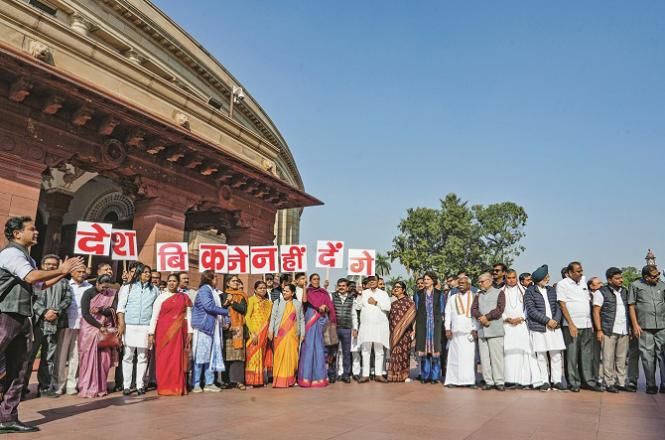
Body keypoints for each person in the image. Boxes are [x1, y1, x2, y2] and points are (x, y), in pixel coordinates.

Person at [0, 217, 84, 433]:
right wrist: (62, 269)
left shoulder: (27, 258)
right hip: (5, 315)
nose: (36, 232)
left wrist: (64, 271)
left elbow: (40, 283)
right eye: (31, 229)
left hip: (21, 318)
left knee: (18, 369)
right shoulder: (11, 254)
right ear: (17, 233)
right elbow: (30, 278)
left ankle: (7, 418)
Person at [23, 255, 72, 398]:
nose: (51, 267)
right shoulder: (35, 280)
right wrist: (44, 312)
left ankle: (44, 387)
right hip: (37, 324)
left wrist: (56, 311)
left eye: (54, 265)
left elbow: (68, 298)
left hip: (54, 324)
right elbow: (31, 298)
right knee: (29, 357)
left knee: (48, 358)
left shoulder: (63, 282)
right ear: (42, 265)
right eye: (48, 264)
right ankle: (22, 388)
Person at [117, 263, 159, 395]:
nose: (148, 274)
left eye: (149, 272)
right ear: (139, 273)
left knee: (142, 356)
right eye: (145, 272)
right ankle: (126, 385)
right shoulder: (128, 288)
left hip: (145, 327)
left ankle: (140, 384)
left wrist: (152, 330)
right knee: (128, 355)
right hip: (129, 325)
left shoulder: (155, 290)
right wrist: (121, 324)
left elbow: (156, 311)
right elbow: (120, 308)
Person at [557, 262, 599, 392]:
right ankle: (573, 383)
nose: (581, 273)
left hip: (586, 325)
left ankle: (588, 381)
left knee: (587, 355)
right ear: (569, 273)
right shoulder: (562, 284)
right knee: (571, 355)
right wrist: (570, 324)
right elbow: (562, 305)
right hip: (572, 325)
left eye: (581, 271)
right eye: (578, 271)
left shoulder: (584, 282)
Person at [149, 273, 193, 396]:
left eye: (174, 281)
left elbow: (189, 315)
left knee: (176, 360)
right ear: (167, 282)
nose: (172, 283)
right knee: (163, 359)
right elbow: (154, 317)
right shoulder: (161, 297)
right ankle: (164, 387)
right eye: (170, 281)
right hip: (163, 333)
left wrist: (190, 331)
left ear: (178, 283)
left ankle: (176, 387)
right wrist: (151, 333)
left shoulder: (184, 297)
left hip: (178, 333)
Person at [524, 265, 566, 391]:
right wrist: (547, 321)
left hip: (554, 327)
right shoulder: (530, 291)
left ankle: (557, 381)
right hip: (539, 327)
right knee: (541, 355)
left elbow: (558, 307)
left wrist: (555, 321)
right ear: (540, 278)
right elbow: (531, 310)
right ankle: (544, 381)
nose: (548, 278)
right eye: (546, 276)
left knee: (556, 354)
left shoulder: (551, 290)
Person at [77, 275, 118, 398]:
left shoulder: (111, 294)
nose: (104, 290)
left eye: (106, 287)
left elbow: (113, 310)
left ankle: (101, 387)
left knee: (104, 360)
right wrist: (99, 326)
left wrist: (100, 310)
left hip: (105, 330)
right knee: (88, 359)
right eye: (102, 287)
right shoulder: (88, 293)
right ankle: (87, 387)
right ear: (97, 283)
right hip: (90, 330)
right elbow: (85, 313)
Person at [627, 265, 665, 394]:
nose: (657, 277)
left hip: (662, 326)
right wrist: (635, 324)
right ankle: (651, 385)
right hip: (644, 327)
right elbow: (631, 305)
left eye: (658, 274)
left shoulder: (662, 285)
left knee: (663, 356)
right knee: (648, 356)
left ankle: (664, 384)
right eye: (654, 276)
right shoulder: (635, 285)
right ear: (646, 277)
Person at [54, 266, 91, 395]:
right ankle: (59, 384)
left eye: (83, 271)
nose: (81, 274)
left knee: (76, 356)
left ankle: (72, 384)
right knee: (61, 356)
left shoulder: (89, 287)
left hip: (82, 325)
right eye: (78, 271)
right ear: (71, 272)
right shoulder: (65, 284)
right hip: (66, 323)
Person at [592, 267, 628, 393]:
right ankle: (609, 382)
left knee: (621, 358)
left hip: (624, 330)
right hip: (608, 329)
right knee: (608, 358)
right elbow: (596, 312)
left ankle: (621, 382)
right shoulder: (600, 292)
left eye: (621, 278)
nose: (620, 280)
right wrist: (599, 330)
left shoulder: (624, 292)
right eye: (617, 278)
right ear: (609, 280)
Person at [501, 269, 539, 389]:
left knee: (523, 351)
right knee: (508, 352)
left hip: (521, 325)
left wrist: (521, 317)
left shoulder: (525, 291)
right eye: (509, 278)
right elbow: (498, 308)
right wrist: (506, 318)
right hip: (507, 325)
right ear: (505, 278)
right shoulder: (500, 292)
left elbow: (529, 307)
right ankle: (509, 380)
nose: (512, 280)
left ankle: (524, 380)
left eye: (513, 277)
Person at [190, 270, 227, 393]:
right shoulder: (205, 290)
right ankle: (196, 383)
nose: (217, 280)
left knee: (210, 355)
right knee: (201, 356)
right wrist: (226, 312)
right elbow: (208, 306)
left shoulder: (212, 291)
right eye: (215, 278)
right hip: (203, 327)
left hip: (211, 327)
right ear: (209, 279)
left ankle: (209, 382)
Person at [298, 273, 336, 387]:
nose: (316, 280)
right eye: (314, 279)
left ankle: (319, 378)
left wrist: (326, 307)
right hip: (310, 322)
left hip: (321, 322)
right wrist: (304, 286)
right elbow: (304, 301)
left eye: (318, 279)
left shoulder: (324, 293)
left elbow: (330, 307)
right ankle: (306, 378)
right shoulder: (308, 291)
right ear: (310, 280)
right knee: (308, 349)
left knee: (320, 349)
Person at [472, 272, 506, 391]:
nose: (480, 284)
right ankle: (489, 381)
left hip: (495, 329)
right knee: (484, 359)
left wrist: (487, 317)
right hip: (482, 330)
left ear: (490, 281)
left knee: (496, 358)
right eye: (479, 282)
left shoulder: (499, 293)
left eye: (482, 281)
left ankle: (499, 381)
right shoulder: (478, 295)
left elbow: (500, 309)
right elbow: (474, 309)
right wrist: (481, 318)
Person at [443, 276, 477, 387]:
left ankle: (469, 381)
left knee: (468, 359)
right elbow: (447, 314)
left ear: (469, 285)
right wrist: (447, 328)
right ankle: (452, 381)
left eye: (464, 283)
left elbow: (477, 315)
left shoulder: (475, 297)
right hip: (455, 332)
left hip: (469, 332)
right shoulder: (452, 298)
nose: (461, 284)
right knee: (454, 358)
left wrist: (475, 328)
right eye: (460, 283)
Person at [357, 276, 391, 383]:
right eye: (370, 281)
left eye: (374, 281)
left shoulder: (383, 294)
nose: (372, 282)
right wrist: (358, 295)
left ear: (377, 282)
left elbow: (388, 307)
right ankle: (366, 375)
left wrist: (376, 303)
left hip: (379, 327)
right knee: (365, 351)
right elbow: (357, 307)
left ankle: (378, 374)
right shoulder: (364, 293)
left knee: (379, 351)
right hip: (366, 326)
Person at [269, 284, 304, 388]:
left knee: (293, 357)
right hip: (280, 334)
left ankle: (290, 380)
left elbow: (301, 319)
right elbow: (273, 317)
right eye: (283, 290)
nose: (284, 292)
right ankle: (279, 380)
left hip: (293, 335)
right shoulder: (278, 302)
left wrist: (303, 333)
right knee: (279, 357)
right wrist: (271, 330)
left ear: (292, 293)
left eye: (287, 291)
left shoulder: (298, 304)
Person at [414, 272, 445, 384]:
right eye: (424, 279)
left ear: (433, 280)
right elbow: (417, 310)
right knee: (424, 352)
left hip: (435, 326)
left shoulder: (439, 294)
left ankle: (435, 376)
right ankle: (425, 375)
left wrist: (441, 326)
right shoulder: (418, 294)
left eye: (427, 279)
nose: (425, 281)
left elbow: (442, 311)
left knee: (435, 352)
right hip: (423, 325)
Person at [221, 275, 248, 390]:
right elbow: (220, 309)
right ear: (227, 283)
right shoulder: (222, 295)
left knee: (238, 355)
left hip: (238, 328)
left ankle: (238, 381)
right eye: (233, 281)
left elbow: (243, 309)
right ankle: (226, 381)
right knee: (226, 354)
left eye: (237, 281)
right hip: (227, 328)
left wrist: (232, 302)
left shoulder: (242, 295)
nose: (236, 283)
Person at [245, 281, 273, 387]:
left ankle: (259, 380)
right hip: (254, 332)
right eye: (260, 288)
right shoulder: (251, 300)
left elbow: (270, 319)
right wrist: (252, 333)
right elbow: (247, 317)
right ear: (255, 290)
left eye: (264, 288)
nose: (263, 290)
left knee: (261, 356)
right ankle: (251, 381)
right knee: (253, 356)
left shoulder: (269, 303)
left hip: (264, 333)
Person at [387, 281, 416, 382]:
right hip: (393, 332)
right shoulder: (392, 303)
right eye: (395, 287)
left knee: (404, 353)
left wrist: (414, 330)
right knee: (394, 353)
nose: (396, 288)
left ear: (403, 289)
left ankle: (405, 376)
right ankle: (394, 375)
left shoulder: (409, 302)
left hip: (405, 332)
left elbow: (413, 317)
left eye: (398, 287)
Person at [329, 278, 355, 383]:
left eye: (343, 286)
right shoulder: (332, 296)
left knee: (346, 353)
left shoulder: (351, 298)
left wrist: (355, 328)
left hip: (347, 328)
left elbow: (353, 314)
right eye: (339, 285)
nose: (341, 287)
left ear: (347, 287)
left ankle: (346, 374)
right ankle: (332, 374)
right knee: (333, 353)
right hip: (334, 328)